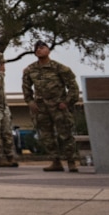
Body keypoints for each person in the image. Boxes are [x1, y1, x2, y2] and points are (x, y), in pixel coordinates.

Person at [22, 41, 81, 173]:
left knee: (65, 134)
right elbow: (26, 87)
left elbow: (73, 87)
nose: (39, 50)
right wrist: (30, 102)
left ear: (49, 50)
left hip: (58, 106)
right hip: (41, 108)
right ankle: (56, 161)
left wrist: (67, 102)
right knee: (46, 136)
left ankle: (71, 162)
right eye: (36, 48)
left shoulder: (60, 68)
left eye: (42, 48)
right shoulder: (30, 69)